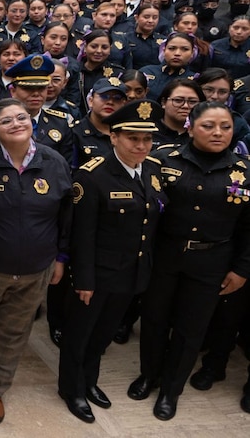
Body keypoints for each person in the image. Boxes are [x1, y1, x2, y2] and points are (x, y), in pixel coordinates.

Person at [128, 102, 250, 421]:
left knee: (191, 328)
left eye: (225, 126)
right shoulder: (163, 159)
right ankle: (149, 375)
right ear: (190, 127)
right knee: (154, 319)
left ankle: (171, 389)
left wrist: (242, 268)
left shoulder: (245, 170)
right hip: (165, 254)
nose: (218, 132)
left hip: (212, 261)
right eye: (208, 125)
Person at [0, 98, 72, 424]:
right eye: (7, 121)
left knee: (14, 332)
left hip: (37, 268)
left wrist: (61, 258)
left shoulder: (54, 162)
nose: (17, 123)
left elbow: (66, 216)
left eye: (22, 117)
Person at [58, 99, 165, 423]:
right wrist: (85, 280)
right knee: (79, 336)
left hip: (130, 273)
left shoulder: (153, 170)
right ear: (114, 137)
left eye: (147, 139)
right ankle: (71, 388)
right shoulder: (91, 176)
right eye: (133, 138)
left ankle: (89, 381)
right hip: (97, 275)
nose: (141, 145)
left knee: (103, 335)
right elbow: (82, 235)